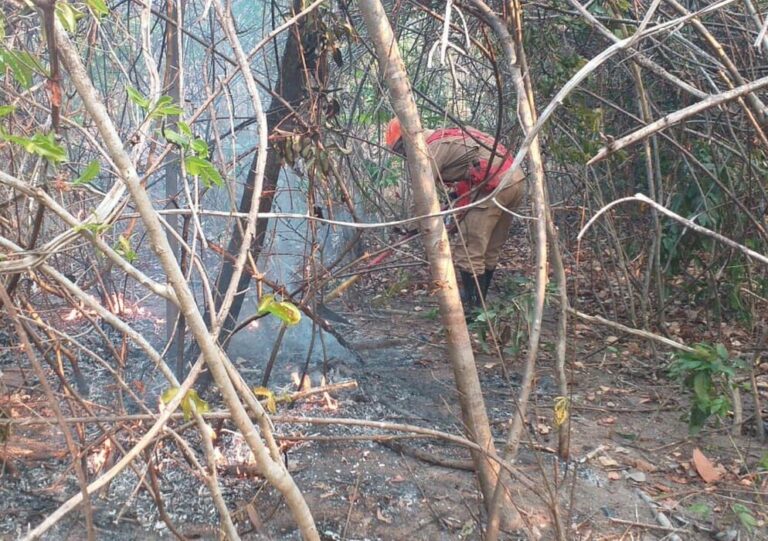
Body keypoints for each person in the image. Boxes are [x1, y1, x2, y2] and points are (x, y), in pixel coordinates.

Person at [385, 117, 525, 310]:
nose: (402, 154)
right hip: (515, 180)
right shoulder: (448, 135)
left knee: (468, 251)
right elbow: (470, 163)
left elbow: (422, 193)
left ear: (408, 139)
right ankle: (479, 302)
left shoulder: (429, 149)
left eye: (400, 148)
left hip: (494, 187)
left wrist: (410, 226)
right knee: (490, 248)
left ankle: (474, 309)